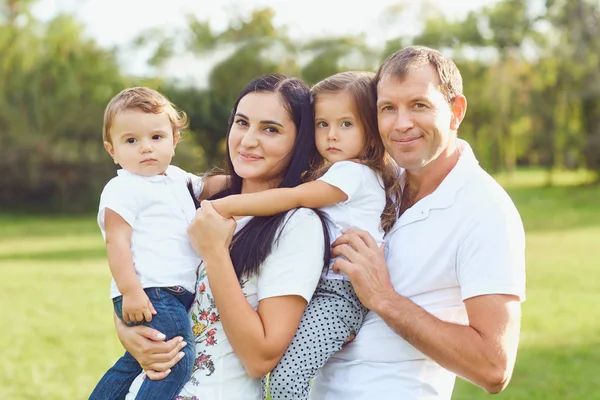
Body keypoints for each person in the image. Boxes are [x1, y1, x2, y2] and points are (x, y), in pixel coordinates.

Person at [309, 46, 526, 399]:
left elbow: (494, 368)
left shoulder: (486, 209)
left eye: (419, 105)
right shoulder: (375, 184)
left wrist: (385, 299)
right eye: (388, 109)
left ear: (456, 111)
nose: (401, 123)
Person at [112, 74, 331, 399]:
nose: (248, 140)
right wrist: (127, 333)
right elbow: (135, 281)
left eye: (270, 129)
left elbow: (261, 358)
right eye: (242, 123)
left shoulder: (297, 224)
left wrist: (215, 253)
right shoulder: (192, 199)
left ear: (300, 141)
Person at [208, 71, 400, 399]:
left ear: (370, 132)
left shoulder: (352, 173)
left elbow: (294, 196)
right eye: (322, 124)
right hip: (326, 290)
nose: (331, 136)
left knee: (288, 376)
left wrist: (226, 206)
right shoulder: (337, 173)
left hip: (339, 294)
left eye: (346, 124)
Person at [90, 87, 204, 400]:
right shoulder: (123, 187)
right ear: (111, 149)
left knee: (134, 363)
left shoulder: (178, 178)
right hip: (150, 291)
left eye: (156, 137)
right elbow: (116, 243)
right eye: (131, 141)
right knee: (175, 361)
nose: (146, 148)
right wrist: (131, 291)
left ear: (174, 140)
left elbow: (215, 185)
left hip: (170, 294)